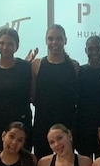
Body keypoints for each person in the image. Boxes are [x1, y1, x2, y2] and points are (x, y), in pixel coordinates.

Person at [32, 24, 79, 157]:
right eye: (50, 38)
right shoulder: (36, 65)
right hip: (43, 122)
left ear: (65, 40)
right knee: (42, 162)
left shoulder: (74, 66)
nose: (54, 42)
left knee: (67, 163)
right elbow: (32, 95)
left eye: (59, 38)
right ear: (46, 40)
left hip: (67, 122)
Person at [0, 27, 34, 152]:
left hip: (21, 123)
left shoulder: (26, 68)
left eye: (10, 44)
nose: (5, 47)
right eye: (2, 43)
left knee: (23, 163)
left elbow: (33, 94)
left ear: (16, 46)